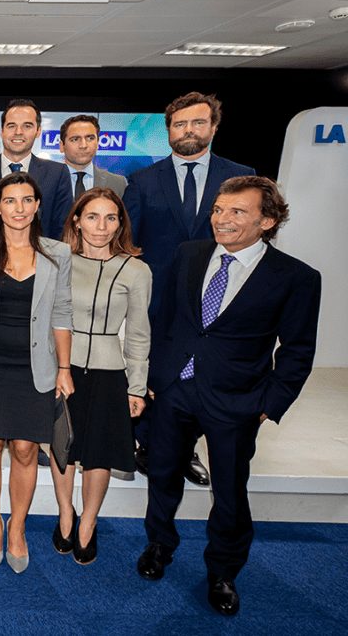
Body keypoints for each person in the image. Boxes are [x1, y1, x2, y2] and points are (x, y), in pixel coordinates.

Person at [137, 176, 320, 616]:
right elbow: (166, 319)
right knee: (162, 475)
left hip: (237, 402)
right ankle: (159, 545)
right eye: (219, 209)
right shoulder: (189, 254)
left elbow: (297, 351)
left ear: (268, 221)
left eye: (237, 211)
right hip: (174, 390)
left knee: (230, 493)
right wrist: (155, 376)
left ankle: (222, 571)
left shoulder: (296, 277)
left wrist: (267, 406)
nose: (221, 219)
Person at [125, 92, 255, 485]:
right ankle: (147, 444)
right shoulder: (142, 180)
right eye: (180, 124)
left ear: (213, 128)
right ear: (168, 132)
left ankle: (186, 447)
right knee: (158, 373)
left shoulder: (239, 178)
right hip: (159, 299)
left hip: (219, 297)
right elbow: (130, 242)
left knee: (205, 374)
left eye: (198, 123)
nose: (188, 131)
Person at [0, 171, 73, 573]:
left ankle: (17, 526)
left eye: (26, 200)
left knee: (25, 449)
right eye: (10, 201)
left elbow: (61, 313)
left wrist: (64, 367)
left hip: (35, 367)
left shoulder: (58, 254)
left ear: (37, 206)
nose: (18, 208)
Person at [48, 188, 151, 565]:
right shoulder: (57, 261)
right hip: (63, 368)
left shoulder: (137, 271)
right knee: (64, 447)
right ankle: (65, 514)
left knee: (98, 454)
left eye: (111, 218)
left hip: (110, 374)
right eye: (92, 216)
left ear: (121, 223)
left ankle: (88, 523)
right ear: (76, 219)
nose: (101, 226)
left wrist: (137, 386)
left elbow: (139, 334)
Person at [0, 99, 72, 239]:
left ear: (38, 131)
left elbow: (62, 229)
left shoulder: (57, 174)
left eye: (27, 126)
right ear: (2, 130)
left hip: (40, 258)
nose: (18, 132)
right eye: (11, 126)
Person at [57, 115, 127, 201]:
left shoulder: (118, 183)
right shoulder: (47, 181)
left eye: (90, 138)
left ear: (97, 143)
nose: (83, 145)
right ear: (61, 146)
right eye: (75, 139)